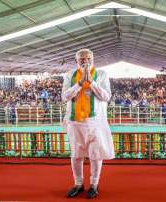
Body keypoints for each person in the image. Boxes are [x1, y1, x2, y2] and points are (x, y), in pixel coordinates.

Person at [61, 49, 115, 199]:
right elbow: (65, 96)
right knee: (76, 155)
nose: (85, 61)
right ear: (76, 61)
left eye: (88, 58)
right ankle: (78, 184)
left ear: (93, 58)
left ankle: (94, 185)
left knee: (95, 155)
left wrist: (91, 82)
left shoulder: (102, 74)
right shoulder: (69, 75)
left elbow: (106, 96)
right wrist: (79, 83)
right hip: (74, 122)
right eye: (82, 59)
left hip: (95, 122)